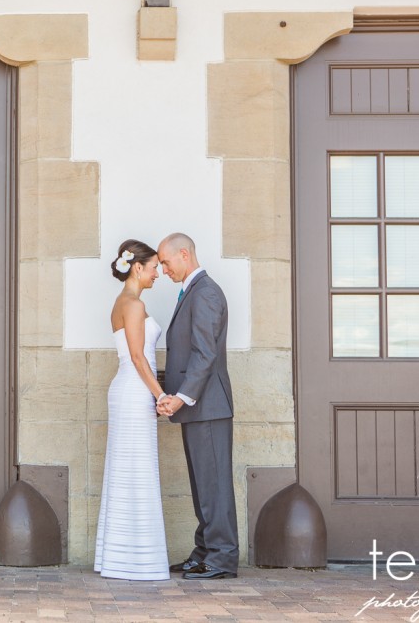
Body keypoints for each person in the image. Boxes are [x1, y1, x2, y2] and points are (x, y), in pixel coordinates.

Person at [155, 233, 238, 580]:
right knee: (203, 485)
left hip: (208, 406)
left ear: (184, 255)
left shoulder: (205, 293)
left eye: (166, 262)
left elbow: (205, 354)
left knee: (214, 485)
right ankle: (204, 552)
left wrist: (181, 396)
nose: (163, 270)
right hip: (198, 407)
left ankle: (222, 558)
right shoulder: (193, 291)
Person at [93, 239, 170, 581]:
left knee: (131, 470)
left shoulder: (120, 302)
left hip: (128, 389)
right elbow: (138, 357)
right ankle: (135, 559)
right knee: (137, 470)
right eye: (154, 267)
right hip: (135, 390)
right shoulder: (134, 305)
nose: (158, 274)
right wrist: (161, 395)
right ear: (137, 268)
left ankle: (120, 556)